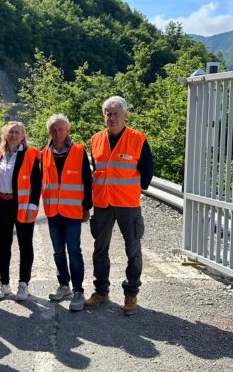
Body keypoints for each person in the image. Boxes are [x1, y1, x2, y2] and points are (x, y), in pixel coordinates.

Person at [84, 96, 153, 316]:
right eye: (108, 113)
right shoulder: (95, 139)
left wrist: (129, 189)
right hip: (103, 203)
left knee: (133, 250)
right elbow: (97, 169)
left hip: (127, 203)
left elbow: (147, 172)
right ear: (104, 115)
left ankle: (131, 294)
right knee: (99, 250)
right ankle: (101, 291)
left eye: (115, 113)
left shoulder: (138, 139)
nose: (111, 117)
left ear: (125, 115)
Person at [0, 121, 42, 302]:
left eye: (18, 132)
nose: (14, 135)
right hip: (2, 204)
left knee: (25, 245)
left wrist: (33, 206)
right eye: (11, 132)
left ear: (23, 135)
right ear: (5, 135)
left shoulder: (32, 154)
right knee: (4, 244)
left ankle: (23, 284)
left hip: (22, 204)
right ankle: (4, 284)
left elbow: (37, 183)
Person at [41, 114, 92, 312]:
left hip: (72, 211)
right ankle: (64, 285)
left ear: (67, 130)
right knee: (57, 251)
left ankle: (78, 290)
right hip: (53, 211)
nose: (57, 132)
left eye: (60, 129)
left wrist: (86, 207)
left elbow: (87, 181)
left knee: (74, 250)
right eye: (53, 129)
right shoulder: (44, 153)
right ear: (49, 132)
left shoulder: (79, 151)